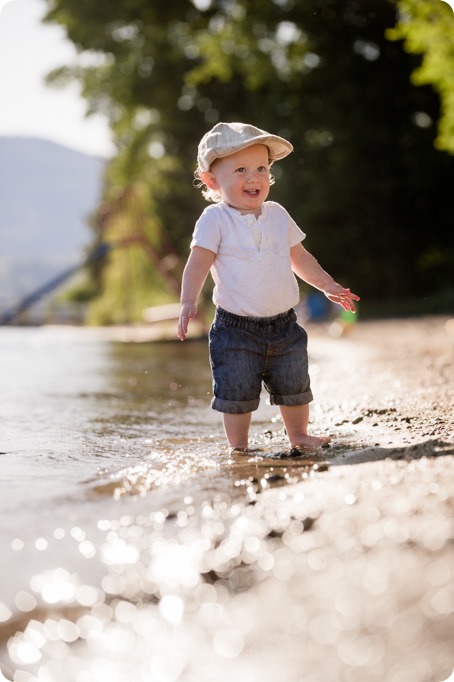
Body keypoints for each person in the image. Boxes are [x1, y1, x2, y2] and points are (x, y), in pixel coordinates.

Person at [177, 122, 359, 456]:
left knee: (294, 385)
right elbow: (198, 262)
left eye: (261, 168)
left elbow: (300, 257)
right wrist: (188, 300)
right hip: (235, 328)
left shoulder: (277, 214)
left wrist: (328, 285)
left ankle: (299, 435)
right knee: (236, 392)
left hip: (285, 325)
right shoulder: (215, 219)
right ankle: (239, 447)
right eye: (241, 169)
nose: (254, 178)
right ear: (212, 180)